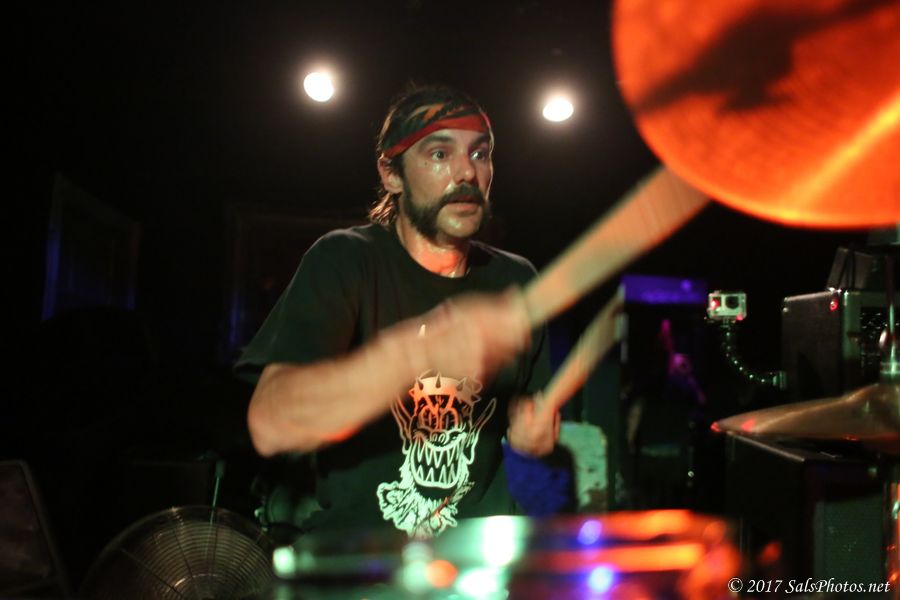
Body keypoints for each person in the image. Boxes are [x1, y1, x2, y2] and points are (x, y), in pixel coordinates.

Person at [237, 85, 560, 537]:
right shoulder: (345, 260)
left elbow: (537, 476)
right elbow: (272, 424)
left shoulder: (516, 280)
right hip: (358, 560)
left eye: (480, 153)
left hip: (473, 561)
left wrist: (533, 449)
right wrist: (416, 354)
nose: (467, 171)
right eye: (439, 154)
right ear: (391, 174)